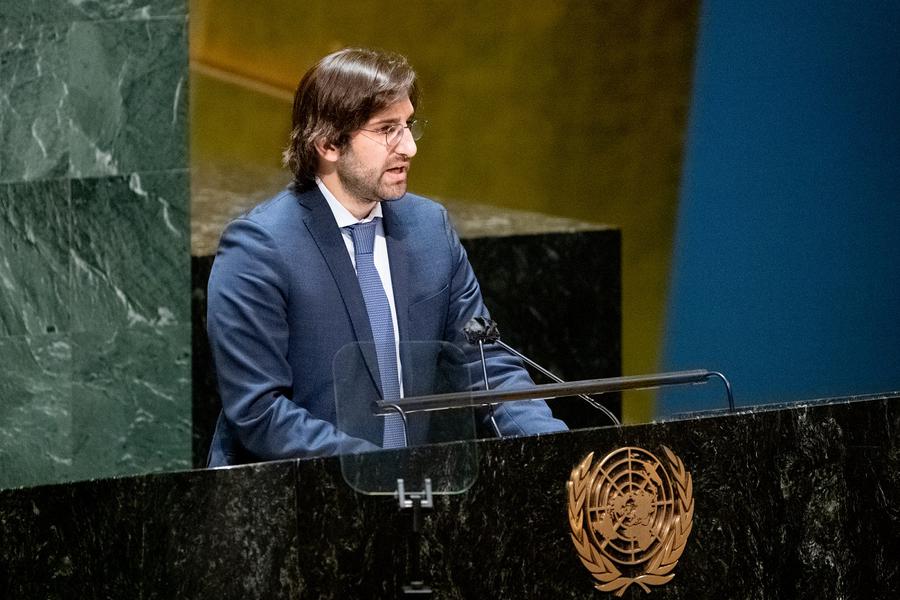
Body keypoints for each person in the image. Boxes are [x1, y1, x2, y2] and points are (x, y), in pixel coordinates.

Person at [206, 47, 566, 467]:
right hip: (296, 509)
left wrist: (555, 455)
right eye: (387, 129)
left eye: (408, 125)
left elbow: (485, 363)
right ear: (327, 144)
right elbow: (260, 411)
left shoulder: (430, 229)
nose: (409, 147)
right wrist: (381, 473)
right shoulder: (259, 248)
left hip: (411, 505)